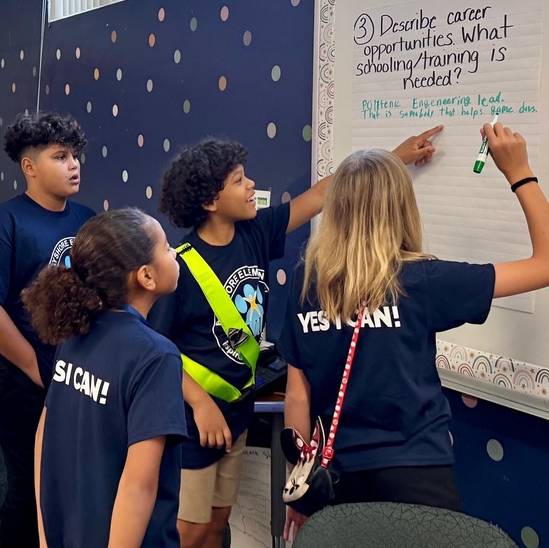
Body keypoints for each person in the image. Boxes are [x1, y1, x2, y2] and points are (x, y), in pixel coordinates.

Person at [148, 127, 442, 547]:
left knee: (217, 522)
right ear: (211, 201)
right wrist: (198, 403)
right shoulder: (180, 267)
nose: (252, 186)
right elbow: (157, 350)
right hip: (195, 421)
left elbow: (324, 194)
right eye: (239, 181)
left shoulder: (256, 231)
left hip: (236, 413)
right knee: (188, 530)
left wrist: (392, 158)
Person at [281, 121, 549, 541]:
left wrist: (300, 489)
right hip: (417, 474)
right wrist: (520, 172)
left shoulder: (306, 281)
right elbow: (545, 264)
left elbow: (297, 395)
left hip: (333, 475)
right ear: (401, 207)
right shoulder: (421, 280)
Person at [0, 110, 94, 546]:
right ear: (30, 166)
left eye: (75, 155)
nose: (73, 164)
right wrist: (36, 367)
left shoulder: (88, 219)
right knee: (29, 486)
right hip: (18, 377)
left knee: (71, 482)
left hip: (76, 372)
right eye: (60, 156)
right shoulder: (5, 224)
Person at [23, 208, 187, 547]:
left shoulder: (73, 332)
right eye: (167, 247)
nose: (175, 254)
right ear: (146, 276)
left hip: (68, 532)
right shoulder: (156, 356)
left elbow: (44, 431)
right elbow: (138, 484)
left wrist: (45, 531)